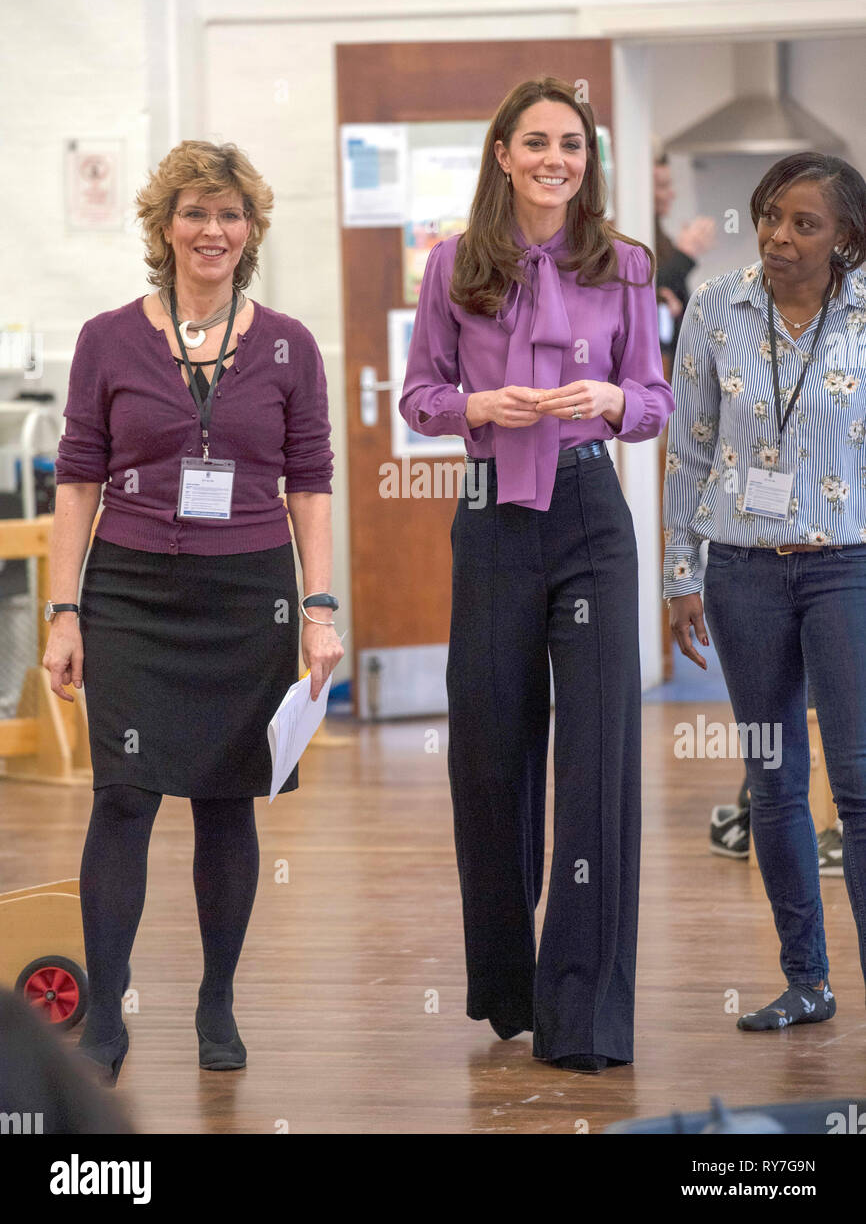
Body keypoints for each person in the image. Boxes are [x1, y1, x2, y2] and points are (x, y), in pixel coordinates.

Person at [44, 140, 342, 1086]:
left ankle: (217, 1000)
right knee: (123, 798)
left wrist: (320, 607)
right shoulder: (107, 338)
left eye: (229, 215)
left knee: (225, 803)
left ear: (249, 231)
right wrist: (63, 611)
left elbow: (313, 485)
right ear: (163, 226)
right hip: (130, 592)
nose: (211, 231)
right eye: (194, 213)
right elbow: (79, 478)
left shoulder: (291, 343)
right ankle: (107, 1008)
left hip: (247, 593)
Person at [399, 76, 674, 1072]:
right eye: (536, 142)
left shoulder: (627, 266)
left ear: (584, 159)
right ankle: (508, 986)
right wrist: (480, 407)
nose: (556, 157)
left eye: (571, 142)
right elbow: (419, 396)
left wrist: (610, 396)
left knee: (596, 762)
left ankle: (585, 1016)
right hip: (488, 517)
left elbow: (655, 398)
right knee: (488, 748)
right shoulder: (452, 265)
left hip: (591, 512)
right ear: (503, 155)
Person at [663, 151, 866, 1033]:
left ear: (845, 239)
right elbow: (690, 448)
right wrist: (679, 575)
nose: (780, 236)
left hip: (848, 570)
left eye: (805, 224)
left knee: (857, 785)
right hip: (743, 573)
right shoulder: (716, 307)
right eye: (771, 216)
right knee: (773, 778)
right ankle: (806, 981)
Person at [653, 147, 716, 358]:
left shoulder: (662, 240)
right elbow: (646, 289)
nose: (671, 194)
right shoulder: (629, 233)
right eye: (662, 186)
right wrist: (685, 254)